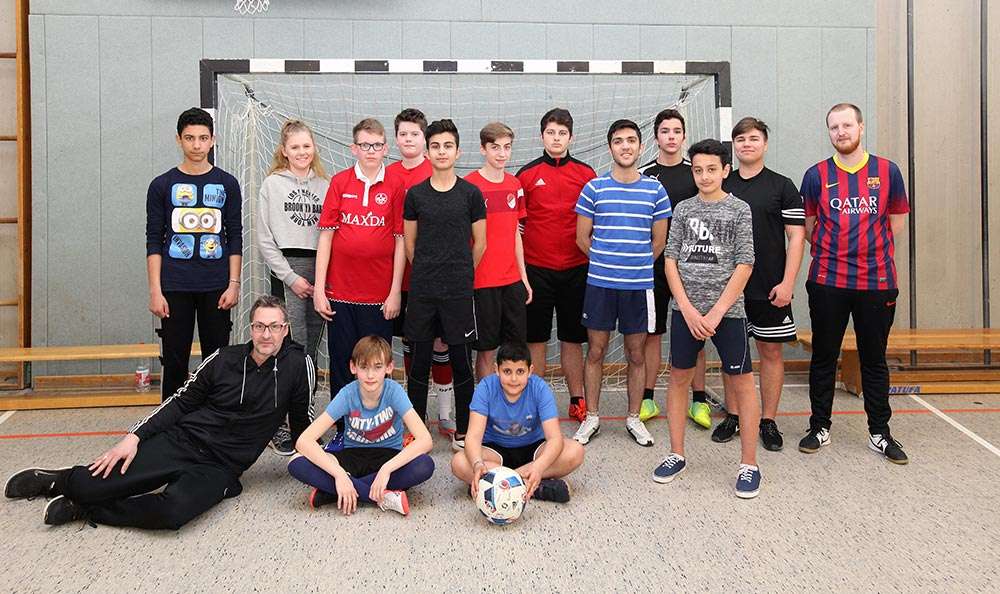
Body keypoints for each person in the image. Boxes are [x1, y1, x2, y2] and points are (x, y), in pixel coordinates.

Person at [4, 296, 314, 528]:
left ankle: (87, 510)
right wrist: (134, 437)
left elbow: (303, 425)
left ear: (285, 330)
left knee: (172, 513)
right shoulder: (223, 359)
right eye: (260, 326)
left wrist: (322, 466)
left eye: (274, 327)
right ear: (251, 328)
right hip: (183, 440)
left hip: (221, 466)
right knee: (90, 484)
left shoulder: (299, 366)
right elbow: (179, 402)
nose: (266, 334)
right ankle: (61, 481)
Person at [799, 103, 910, 464]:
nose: (841, 132)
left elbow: (895, 222)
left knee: (874, 360)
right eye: (834, 127)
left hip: (876, 281)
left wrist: (867, 250)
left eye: (847, 125)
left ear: (861, 127)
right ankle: (819, 427)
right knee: (824, 356)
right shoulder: (815, 175)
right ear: (829, 132)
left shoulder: (887, 171)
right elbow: (809, 229)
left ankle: (880, 433)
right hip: (828, 280)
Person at [652, 139, 761, 499]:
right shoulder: (683, 209)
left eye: (712, 169)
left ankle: (749, 464)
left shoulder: (739, 209)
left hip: (727, 314)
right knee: (678, 379)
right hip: (686, 313)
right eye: (698, 170)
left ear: (725, 170)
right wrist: (685, 307)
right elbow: (670, 259)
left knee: (742, 383)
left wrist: (716, 311)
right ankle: (677, 454)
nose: (704, 176)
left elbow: (745, 263)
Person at [572, 119, 670, 448]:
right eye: (618, 141)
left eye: (631, 140)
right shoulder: (594, 188)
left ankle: (633, 417)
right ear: (610, 147)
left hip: (638, 287)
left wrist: (634, 265)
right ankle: (592, 417)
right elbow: (582, 239)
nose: (625, 146)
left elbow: (659, 242)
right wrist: (607, 263)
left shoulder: (655, 190)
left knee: (636, 353)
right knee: (596, 351)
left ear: (641, 147)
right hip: (600, 286)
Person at [712, 117, 805, 451]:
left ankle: (768, 420)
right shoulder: (722, 183)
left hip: (769, 288)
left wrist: (788, 282)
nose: (746, 144)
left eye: (753, 138)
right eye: (740, 139)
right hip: (729, 289)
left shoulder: (782, 186)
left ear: (764, 143)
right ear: (733, 146)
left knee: (770, 352)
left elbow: (796, 237)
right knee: (731, 354)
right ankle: (734, 415)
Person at [146, 107, 242, 402]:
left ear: (213, 140)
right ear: (179, 140)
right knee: (175, 360)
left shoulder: (227, 184)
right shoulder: (162, 185)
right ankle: (170, 420)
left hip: (217, 286)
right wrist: (155, 290)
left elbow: (235, 236)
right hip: (175, 286)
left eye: (203, 138)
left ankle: (217, 416)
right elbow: (154, 240)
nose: (197, 145)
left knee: (217, 360)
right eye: (190, 138)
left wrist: (233, 284)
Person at [313, 118, 405, 418]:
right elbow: (326, 237)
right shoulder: (340, 182)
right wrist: (319, 290)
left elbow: (401, 240)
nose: (371, 151)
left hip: (379, 297)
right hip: (340, 294)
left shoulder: (396, 185)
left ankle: (377, 424)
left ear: (385, 148)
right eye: (365, 145)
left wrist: (395, 292)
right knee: (343, 362)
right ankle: (344, 428)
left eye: (377, 145)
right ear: (354, 148)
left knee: (376, 364)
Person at [403, 119, 486, 450]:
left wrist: (460, 273)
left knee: (461, 363)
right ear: (427, 151)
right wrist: (429, 271)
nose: (441, 151)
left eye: (447, 146)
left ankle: (464, 430)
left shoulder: (471, 194)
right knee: (419, 363)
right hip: (423, 292)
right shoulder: (415, 195)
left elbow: (480, 244)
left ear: (458, 152)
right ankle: (416, 432)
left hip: (458, 293)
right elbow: (410, 245)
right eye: (435, 146)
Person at [287, 335, 435, 516]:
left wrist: (386, 470)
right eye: (364, 367)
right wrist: (339, 474)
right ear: (353, 367)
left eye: (377, 367)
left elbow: (425, 440)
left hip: (389, 456)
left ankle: (334, 492)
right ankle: (383, 496)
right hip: (353, 456)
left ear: (389, 367)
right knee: (296, 462)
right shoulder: (347, 394)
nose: (370, 375)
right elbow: (303, 441)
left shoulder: (394, 391)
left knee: (424, 465)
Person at [516, 108, 596, 423]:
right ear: (542, 136)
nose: (556, 138)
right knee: (536, 338)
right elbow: (517, 227)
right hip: (536, 270)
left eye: (562, 133)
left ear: (571, 137)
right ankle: (535, 403)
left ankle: (577, 400)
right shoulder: (526, 175)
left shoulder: (586, 174)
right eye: (551, 133)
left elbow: (595, 221)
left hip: (577, 269)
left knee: (572, 338)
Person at [257, 119, 329, 455]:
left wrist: (320, 281)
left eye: (306, 146)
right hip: (288, 272)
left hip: (319, 271)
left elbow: (331, 235)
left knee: (310, 350)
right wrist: (291, 277)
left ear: (314, 148)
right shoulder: (272, 184)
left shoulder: (325, 186)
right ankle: (281, 423)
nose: (302, 152)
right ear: (284, 151)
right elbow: (264, 239)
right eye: (295, 147)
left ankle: (305, 419)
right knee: (288, 348)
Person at [637, 109, 710, 428]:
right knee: (652, 334)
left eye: (676, 131)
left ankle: (699, 400)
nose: (671, 136)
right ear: (656, 137)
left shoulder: (696, 173)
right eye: (665, 131)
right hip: (652, 266)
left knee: (696, 331)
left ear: (684, 136)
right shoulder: (644, 175)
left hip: (692, 266)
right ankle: (648, 398)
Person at [387, 108, 456, 435]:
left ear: (425, 140)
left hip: (435, 280)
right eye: (403, 134)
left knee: (441, 344)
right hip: (397, 279)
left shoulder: (439, 171)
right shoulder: (387, 174)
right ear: (396, 139)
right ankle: (413, 415)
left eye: (415, 134)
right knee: (411, 344)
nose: (409, 139)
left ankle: (445, 413)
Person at [451, 342, 584, 503]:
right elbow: (473, 437)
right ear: (496, 370)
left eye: (520, 371)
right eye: (507, 371)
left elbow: (555, 438)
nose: (514, 379)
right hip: (495, 452)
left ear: (530, 371)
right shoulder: (485, 388)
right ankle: (534, 487)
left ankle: (494, 484)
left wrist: (539, 467)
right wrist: (478, 464)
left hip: (534, 449)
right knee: (459, 463)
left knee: (575, 451)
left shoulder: (540, 388)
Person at [465, 122, 532, 380]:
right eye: (495, 148)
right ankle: (485, 401)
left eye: (507, 147)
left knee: (515, 352)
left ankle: (511, 400)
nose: (502, 154)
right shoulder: (470, 186)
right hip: (482, 283)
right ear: (483, 149)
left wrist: (523, 277)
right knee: (486, 351)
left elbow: (515, 233)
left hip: (511, 283)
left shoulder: (515, 184)